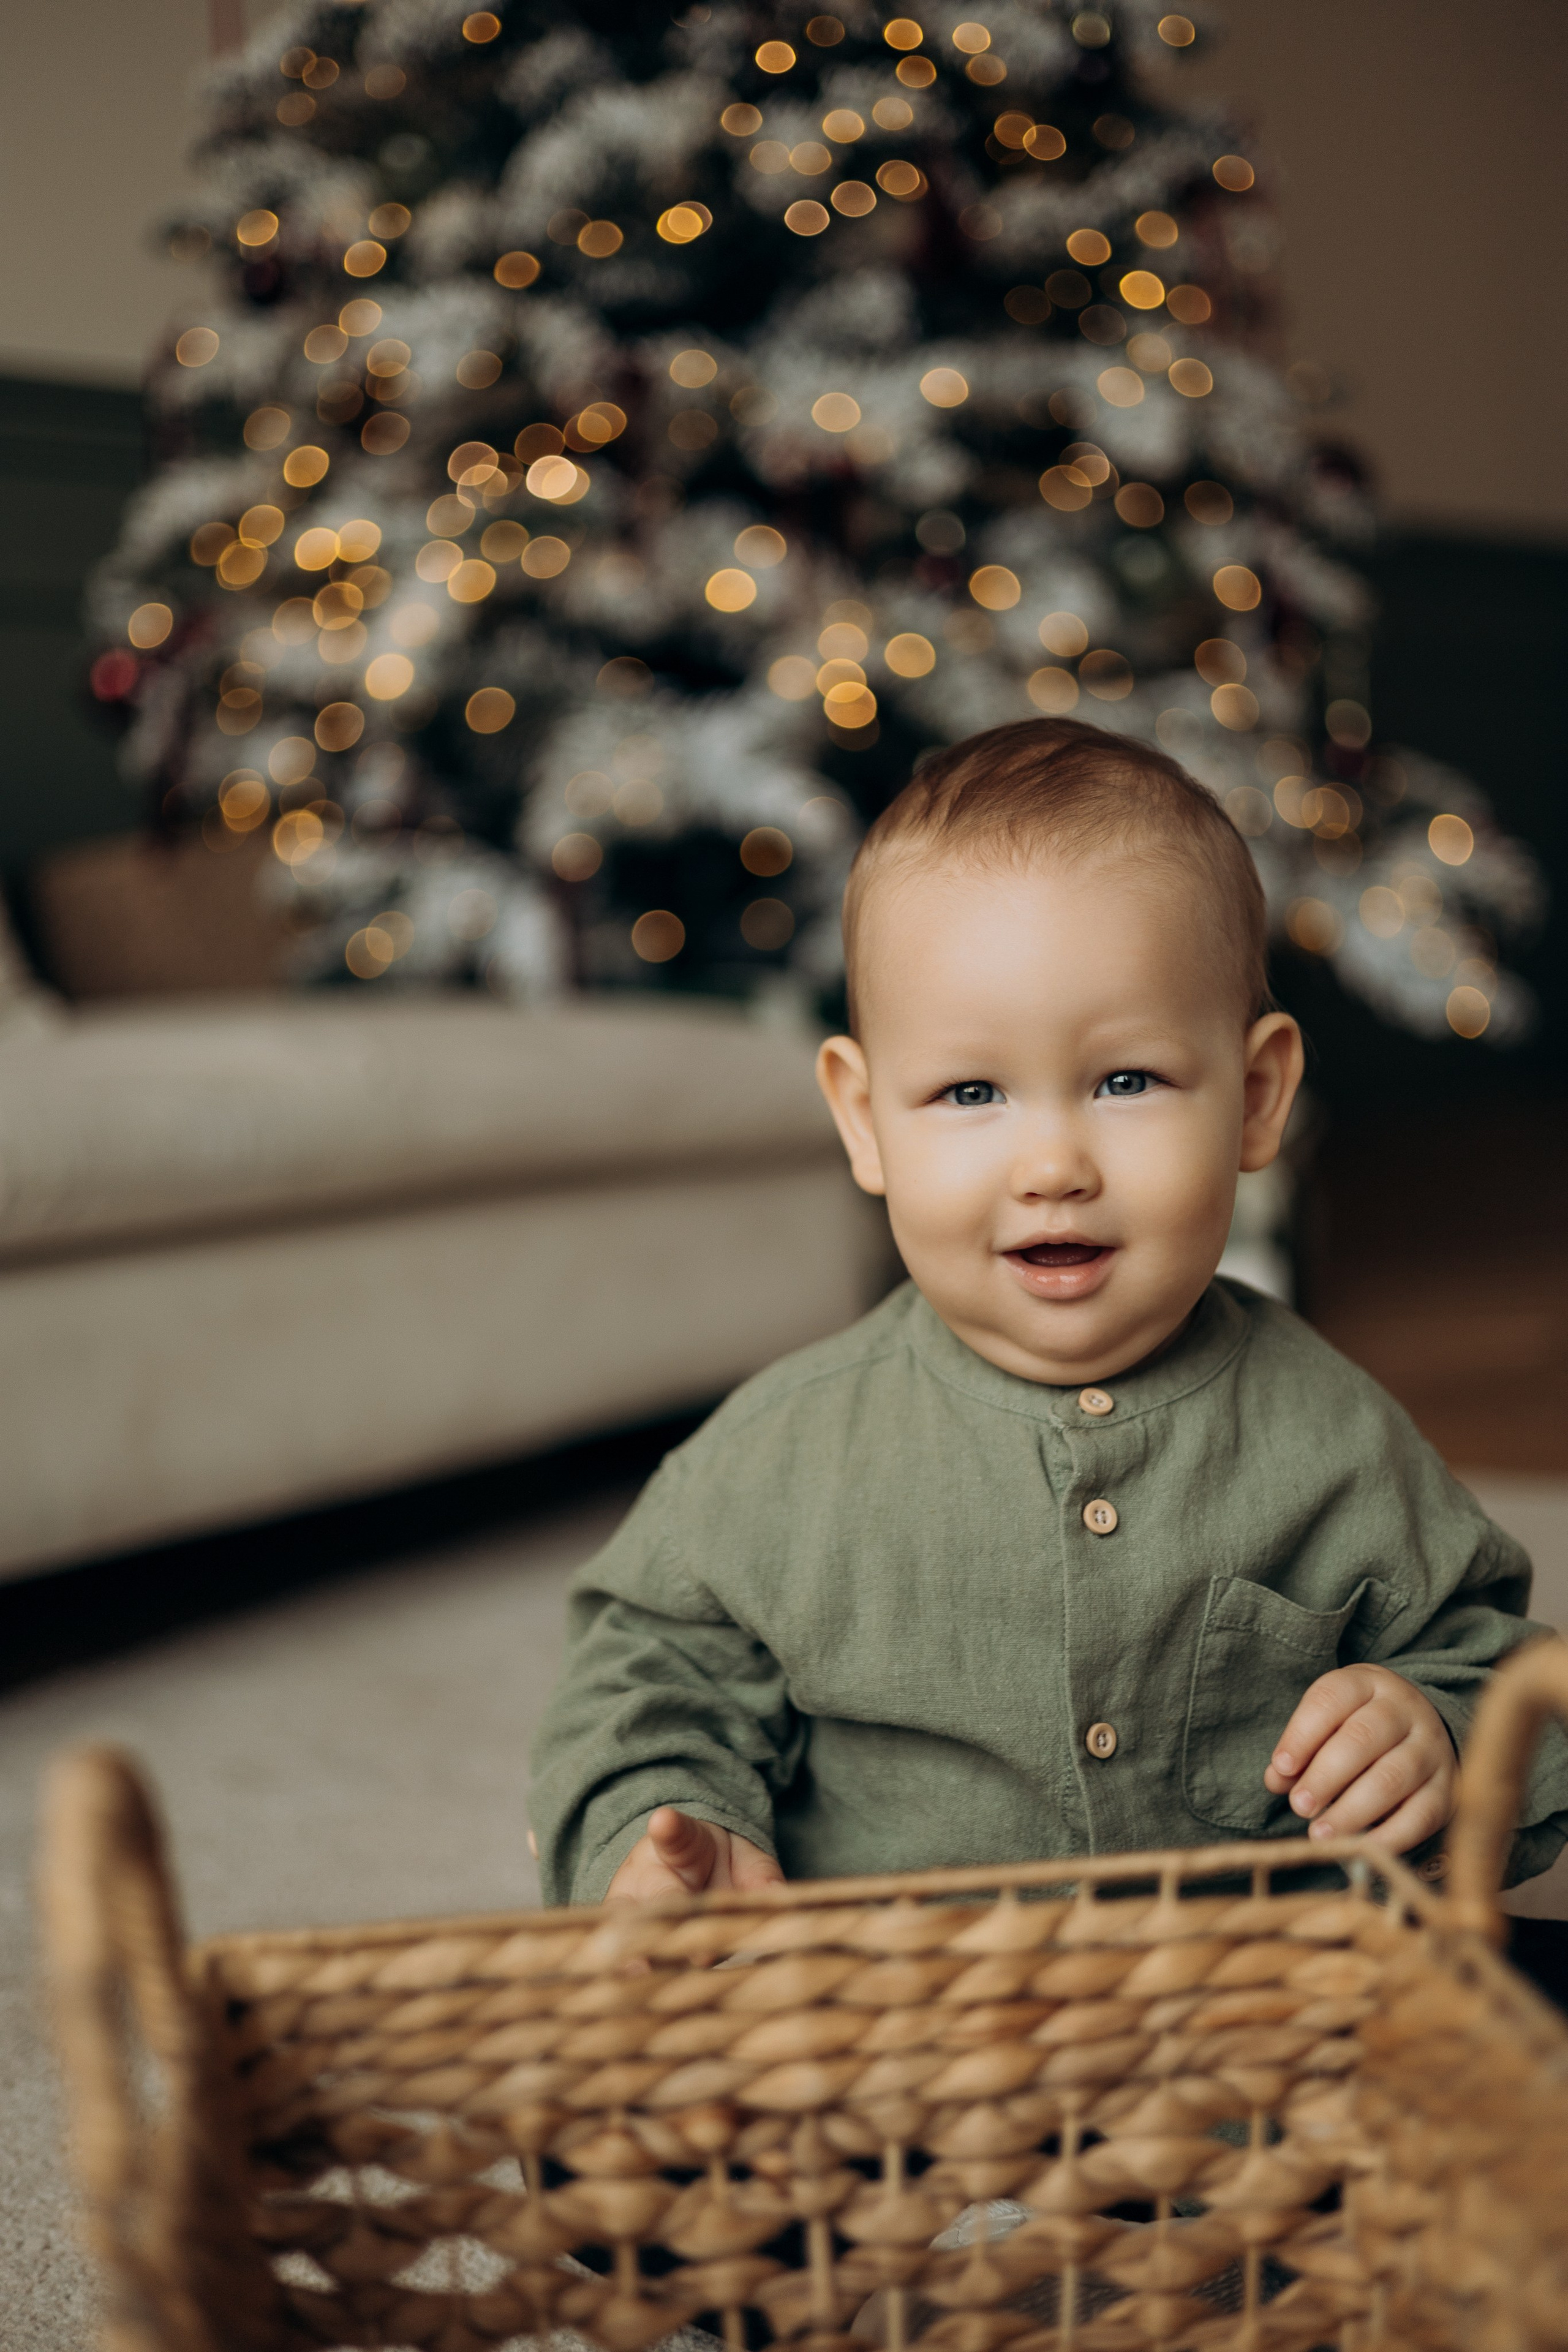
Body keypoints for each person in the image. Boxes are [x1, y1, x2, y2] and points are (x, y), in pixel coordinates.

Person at [529, 717, 1568, 1905]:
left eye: (1124, 1081)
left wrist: (1432, 1733)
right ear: (864, 1122)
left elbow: (1502, 1670)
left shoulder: (1336, 1441)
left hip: (1248, 2042)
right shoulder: (779, 1458)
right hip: (891, 2045)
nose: (1050, 1164)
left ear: (1255, 1098)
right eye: (969, 1091)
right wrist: (660, 1832)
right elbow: (640, 1674)